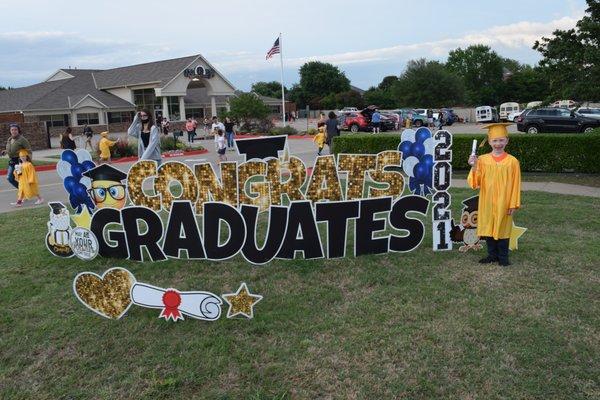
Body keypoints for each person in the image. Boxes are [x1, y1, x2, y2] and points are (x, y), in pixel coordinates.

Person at [467, 123, 521, 267]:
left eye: (501, 140)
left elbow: (516, 184)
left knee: (503, 228)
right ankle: (492, 255)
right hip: (487, 200)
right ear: (489, 141)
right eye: (495, 140)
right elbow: (475, 183)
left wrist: (513, 203)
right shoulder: (483, 160)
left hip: (505, 201)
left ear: (507, 141)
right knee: (489, 226)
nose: (498, 144)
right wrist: (474, 166)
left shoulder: (513, 162)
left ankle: (503, 257)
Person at [2, 123, 31, 189]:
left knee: (19, 178)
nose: (14, 131)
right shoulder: (9, 139)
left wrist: (28, 161)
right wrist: (5, 152)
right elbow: (10, 149)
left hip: (19, 162)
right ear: (10, 131)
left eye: (15, 130)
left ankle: (24, 191)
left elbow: (29, 150)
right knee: (10, 178)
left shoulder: (22, 139)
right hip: (12, 161)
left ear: (18, 131)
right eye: (12, 130)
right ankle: (23, 189)